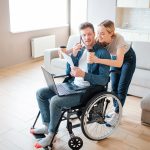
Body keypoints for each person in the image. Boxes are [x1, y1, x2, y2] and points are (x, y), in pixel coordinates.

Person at [30, 22, 111, 149]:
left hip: (86, 92)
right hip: (72, 85)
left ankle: (51, 134)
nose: (87, 38)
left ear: (94, 34)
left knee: (56, 101)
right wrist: (72, 56)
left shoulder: (102, 53)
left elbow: (104, 80)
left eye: (89, 34)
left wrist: (84, 74)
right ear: (81, 36)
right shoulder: (80, 49)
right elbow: (69, 72)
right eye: (83, 35)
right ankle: (47, 125)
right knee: (41, 93)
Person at [88, 20, 136, 121]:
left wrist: (97, 60)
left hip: (128, 59)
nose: (99, 36)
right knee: (113, 86)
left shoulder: (119, 39)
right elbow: (87, 46)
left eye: (102, 33)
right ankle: (116, 109)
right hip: (115, 58)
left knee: (121, 87)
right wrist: (70, 51)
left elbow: (119, 63)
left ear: (111, 33)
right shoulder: (99, 39)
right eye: (98, 33)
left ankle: (117, 113)